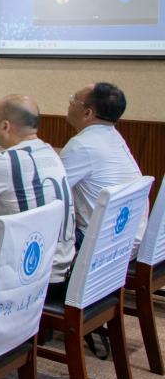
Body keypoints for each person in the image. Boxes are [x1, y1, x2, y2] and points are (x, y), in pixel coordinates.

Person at [0, 94, 75, 285]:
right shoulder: (49, 152)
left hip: (28, 278)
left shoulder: (7, 161)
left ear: (5, 126)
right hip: (60, 268)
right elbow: (10, 197)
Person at [62, 82, 142, 252]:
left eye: (74, 99)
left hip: (98, 246)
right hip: (126, 238)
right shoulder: (112, 136)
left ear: (87, 113)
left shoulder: (81, 145)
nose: (69, 102)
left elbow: (52, 191)